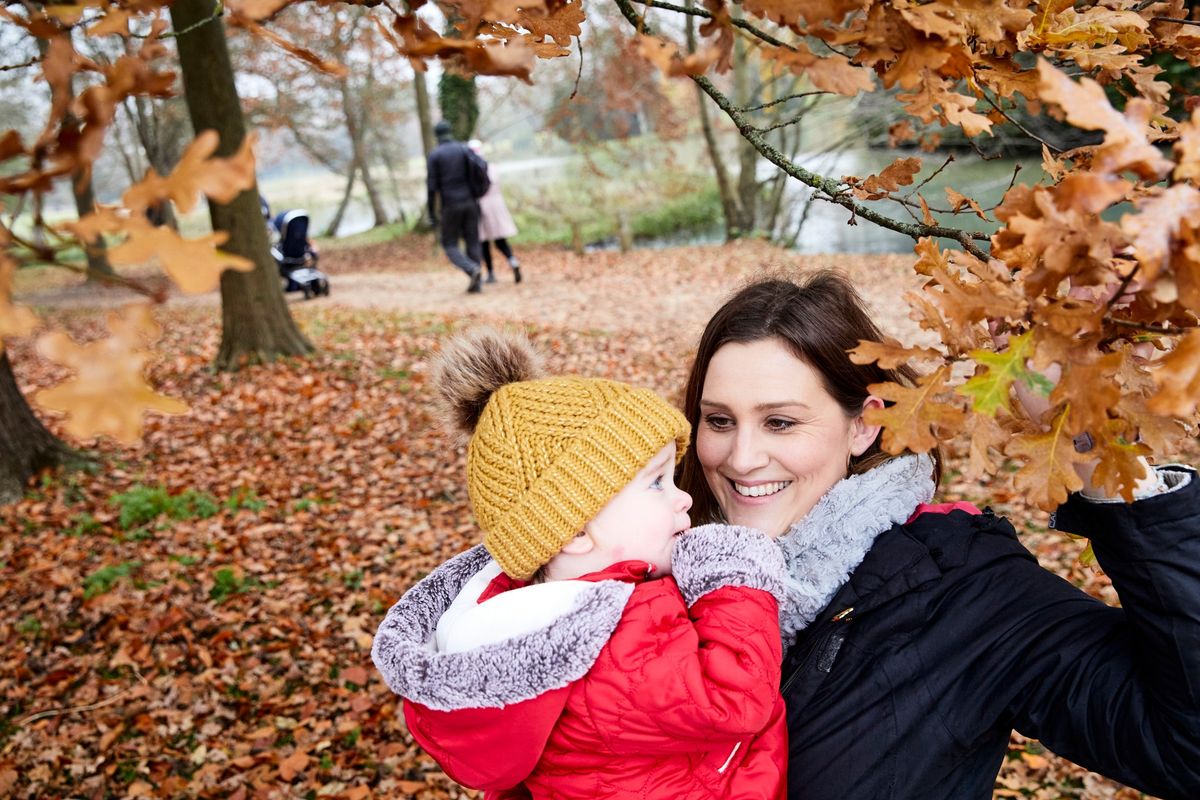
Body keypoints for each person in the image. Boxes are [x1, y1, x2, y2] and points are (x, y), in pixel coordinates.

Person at [676, 270, 1200, 800]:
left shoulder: (967, 591)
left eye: (781, 423)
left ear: (863, 425)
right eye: (719, 421)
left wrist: (1087, 442)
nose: (741, 458)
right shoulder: (652, 570)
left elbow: (1186, 751)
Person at [372, 328, 789, 800]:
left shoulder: (535, 622)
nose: (683, 498)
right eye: (656, 484)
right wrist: (734, 575)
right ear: (572, 531)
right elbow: (735, 698)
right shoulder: (612, 635)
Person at [427, 120, 484, 294]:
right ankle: (477, 282)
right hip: (471, 202)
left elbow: (431, 188)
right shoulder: (463, 148)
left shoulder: (435, 155)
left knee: (449, 243)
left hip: (451, 205)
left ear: (436, 135)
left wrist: (431, 213)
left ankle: (471, 269)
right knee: (472, 241)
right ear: (450, 131)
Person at [468, 139, 522, 284]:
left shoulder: (473, 171)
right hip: (497, 205)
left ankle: (491, 273)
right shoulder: (492, 167)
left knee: (484, 242)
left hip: (482, 205)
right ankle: (513, 261)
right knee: (500, 240)